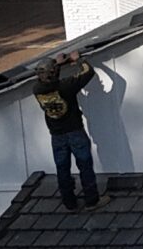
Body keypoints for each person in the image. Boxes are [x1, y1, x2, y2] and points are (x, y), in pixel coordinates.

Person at [33, 50, 100, 210]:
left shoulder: (37, 89)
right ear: (54, 72)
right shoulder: (66, 86)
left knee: (62, 169)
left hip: (56, 136)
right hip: (75, 131)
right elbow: (88, 72)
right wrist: (78, 60)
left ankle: (70, 204)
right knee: (84, 165)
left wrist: (57, 65)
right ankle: (92, 201)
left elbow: (50, 80)